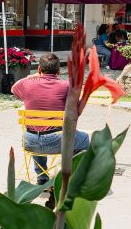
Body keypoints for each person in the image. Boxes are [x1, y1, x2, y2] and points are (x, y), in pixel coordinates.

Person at [11, 53, 90, 183]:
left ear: (39, 69)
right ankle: (72, 175)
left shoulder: (27, 84)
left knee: (37, 130)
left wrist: (32, 76)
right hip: (57, 142)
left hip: (30, 142)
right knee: (84, 139)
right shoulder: (66, 85)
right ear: (59, 71)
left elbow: (13, 89)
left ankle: (42, 177)